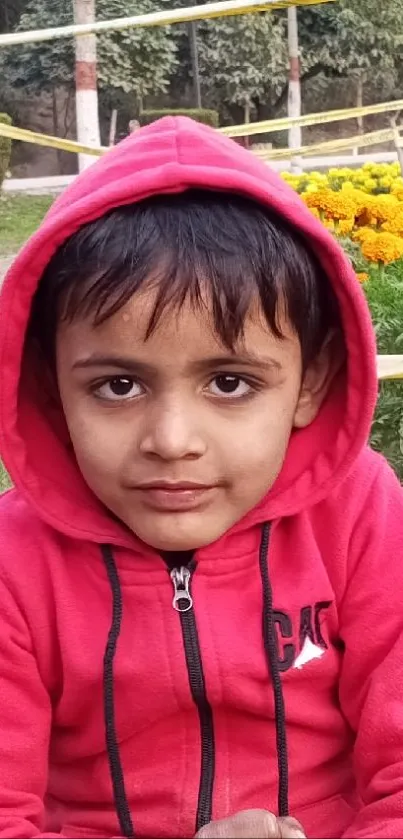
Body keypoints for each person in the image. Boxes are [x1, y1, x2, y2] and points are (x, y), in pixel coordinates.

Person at [0, 116, 403, 839]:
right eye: (118, 385)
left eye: (229, 381)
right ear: (50, 388)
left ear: (310, 382)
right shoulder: (13, 559)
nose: (172, 441)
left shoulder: (361, 516)